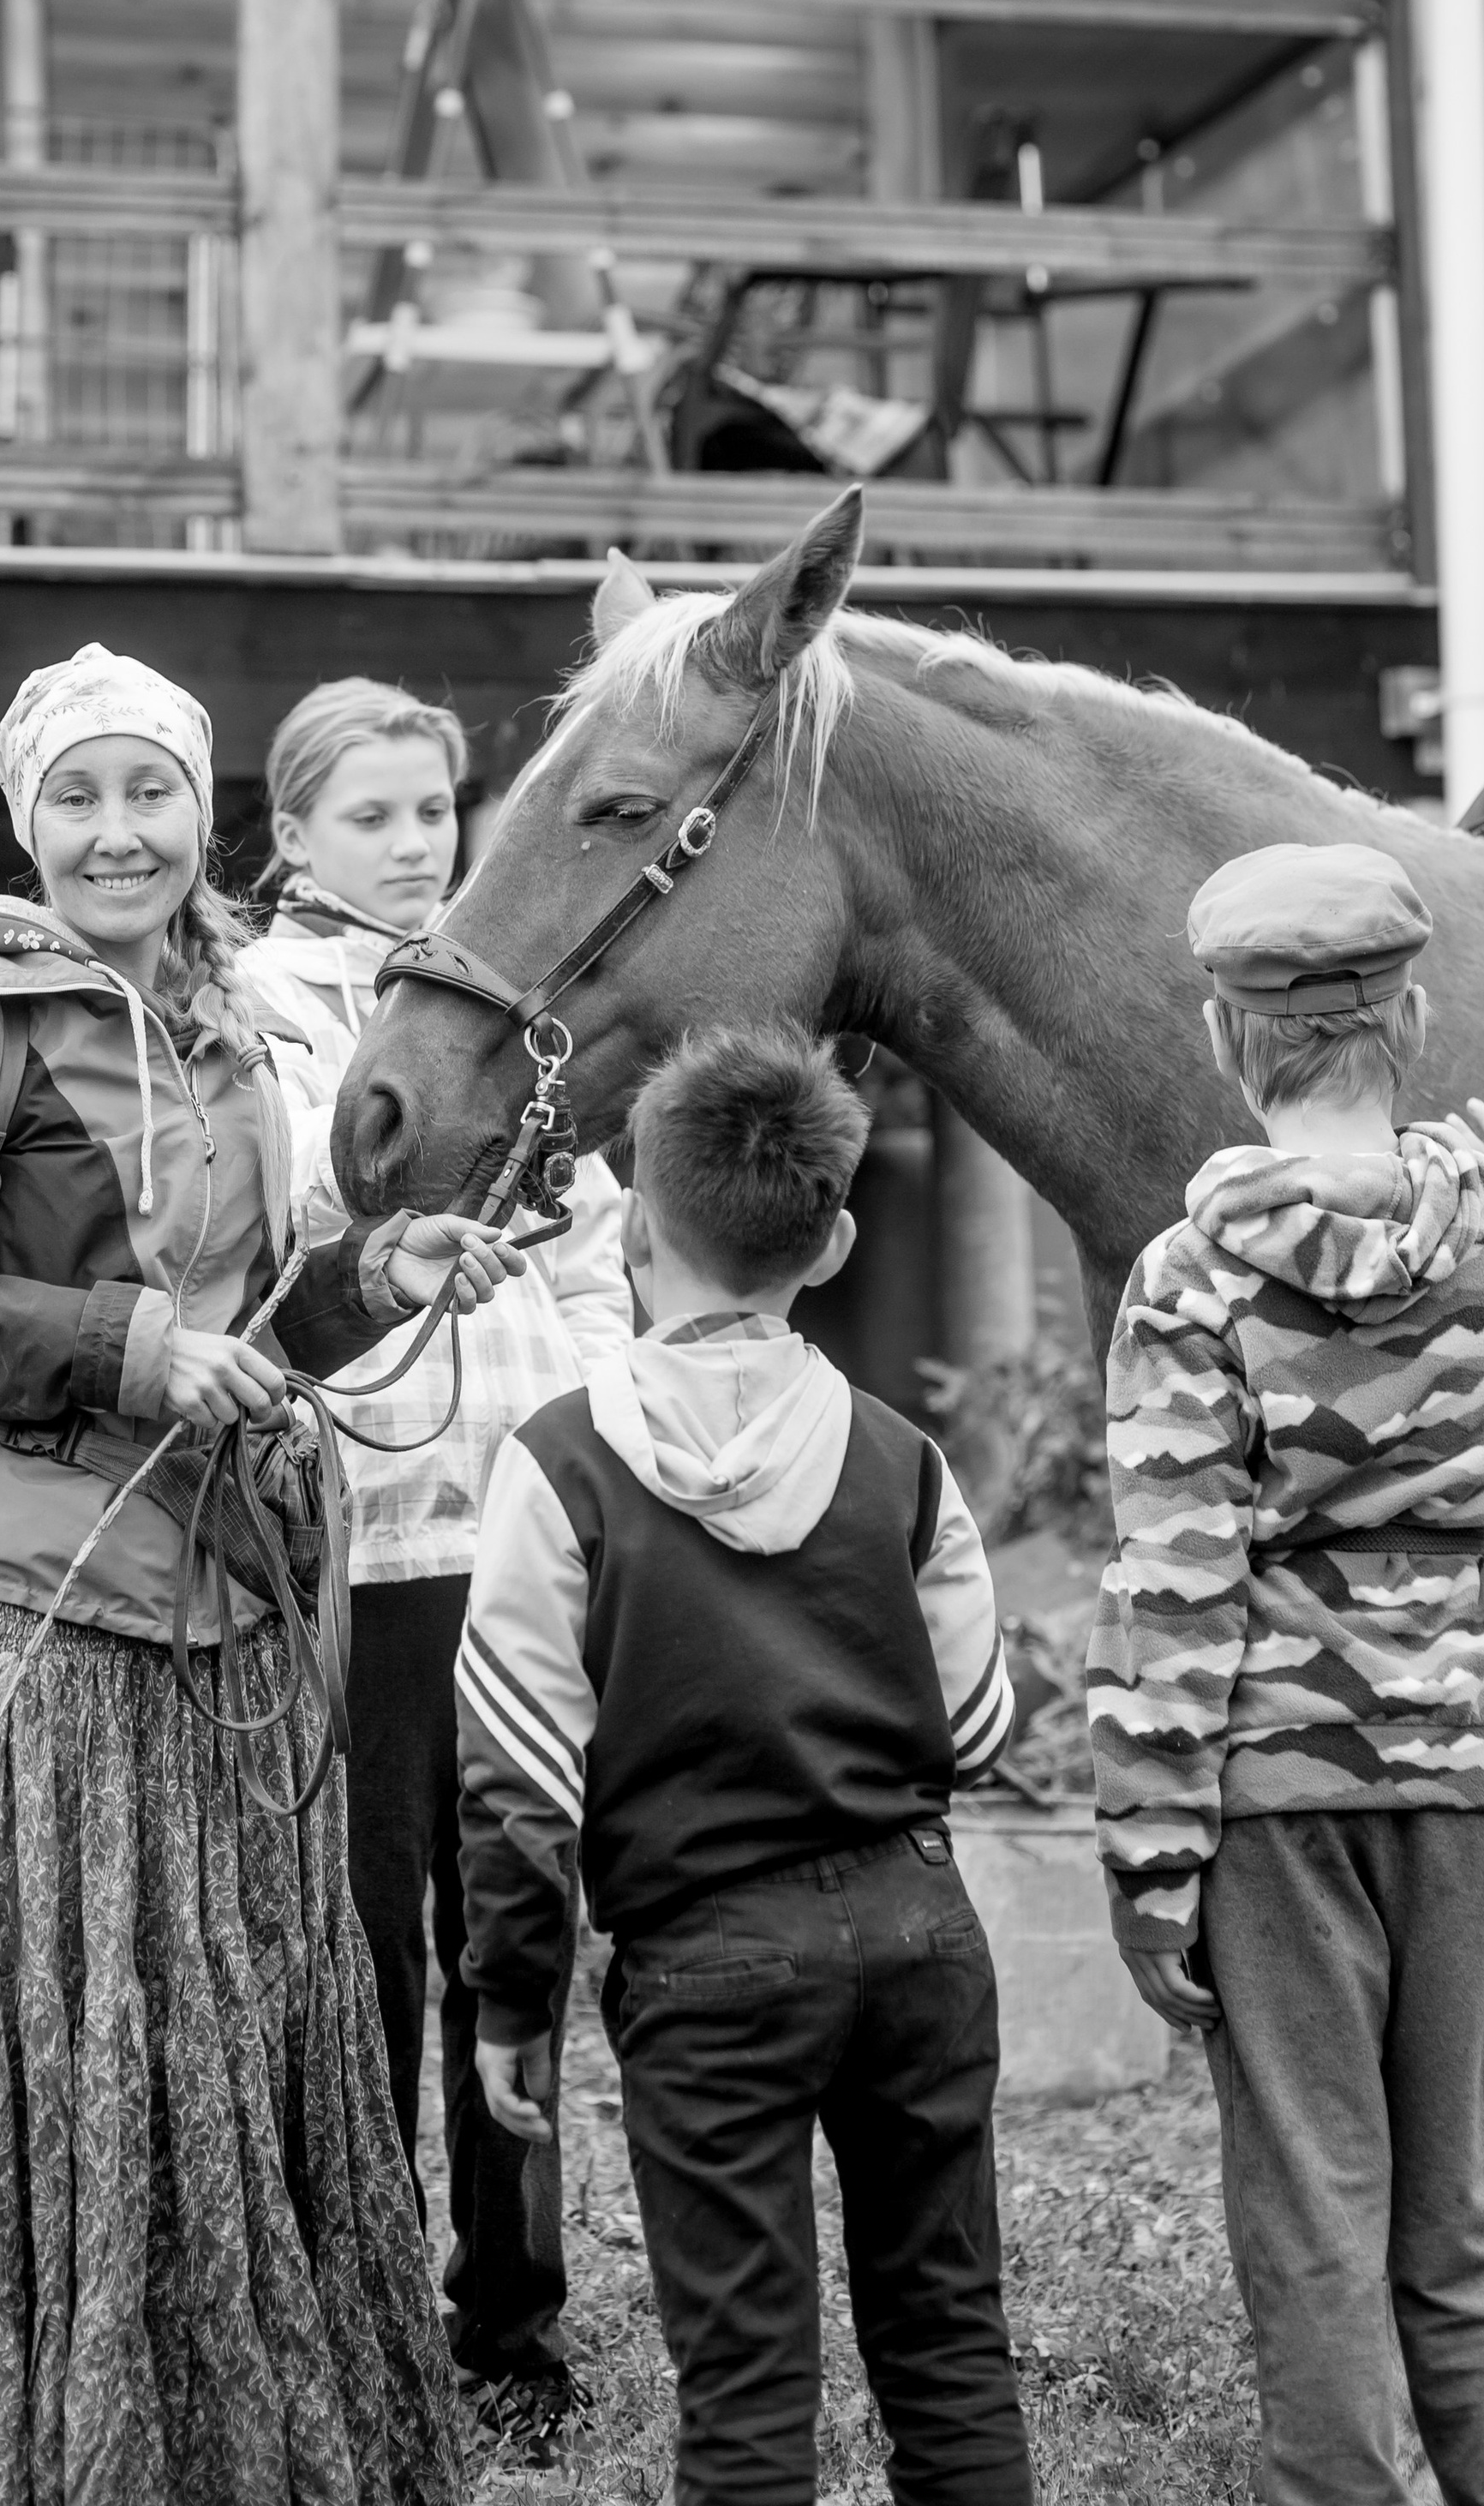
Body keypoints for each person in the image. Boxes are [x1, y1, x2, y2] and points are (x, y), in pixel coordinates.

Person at [0, 643, 529, 2506]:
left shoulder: (238, 1033)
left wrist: (377, 1277)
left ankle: (212, 2418)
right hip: (34, 1623)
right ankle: (12, 2429)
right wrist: (124, 1347)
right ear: (31, 826)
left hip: (236, 1623)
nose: (118, 833)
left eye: (150, 793)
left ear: (207, 817)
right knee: (49, 2039)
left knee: (221, 2025)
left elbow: (263, 1318)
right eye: (78, 800)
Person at [458, 1024, 1029, 2506]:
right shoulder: (903, 1456)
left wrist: (514, 1999)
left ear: (634, 1224)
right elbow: (975, 1726)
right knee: (951, 2344)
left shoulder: (558, 1462)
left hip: (704, 1959)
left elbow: (518, 1776)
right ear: (834, 1241)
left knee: (746, 2383)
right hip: (916, 1934)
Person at [1088, 841, 1484, 2506]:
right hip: (1471, 1777)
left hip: (1273, 1800)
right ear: (1410, 1015)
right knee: (1471, 2216)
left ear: (1220, 1038)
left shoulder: (1187, 1282)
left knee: (1309, 2217)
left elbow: (1173, 1586)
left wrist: (1146, 1856)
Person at [236, 679, 633, 2451]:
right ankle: (362, 2305)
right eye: (374, 816)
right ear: (292, 830)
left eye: (432, 810)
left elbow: (610, 1252)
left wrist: (600, 1431)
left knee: (512, 1935)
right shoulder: (252, 1015)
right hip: (361, 1539)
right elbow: (266, 1247)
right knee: (362, 1946)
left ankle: (513, 2329)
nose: (414, 846)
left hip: (523, 1535)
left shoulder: (524, 1005)